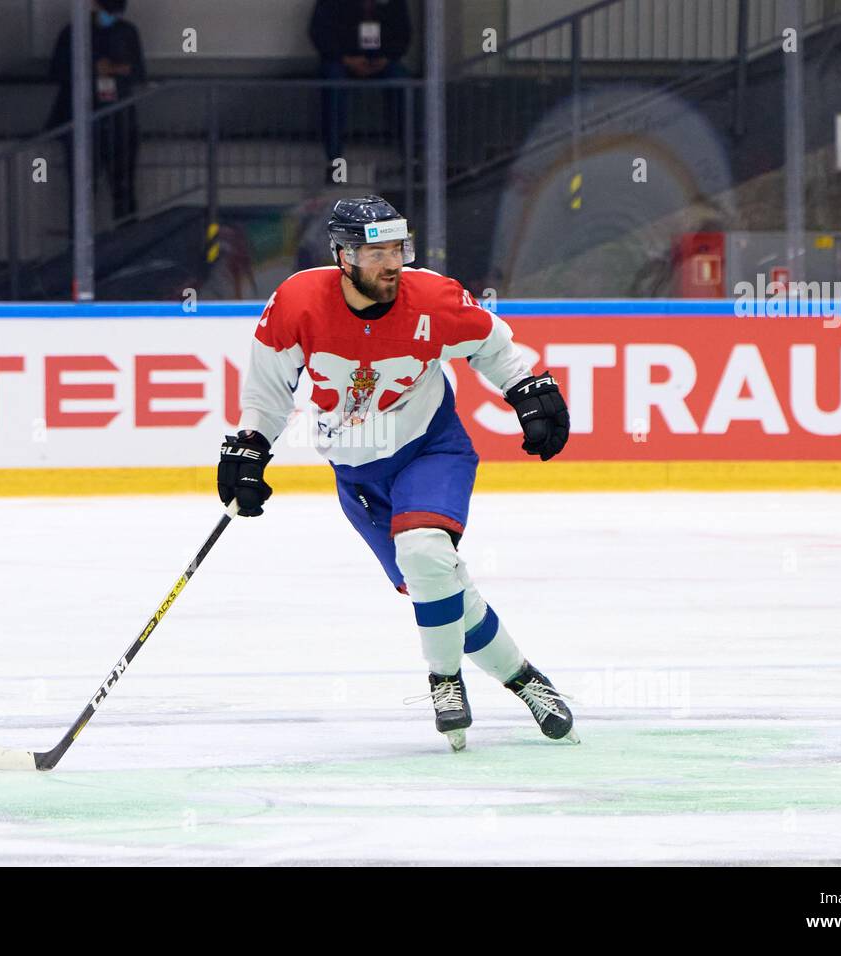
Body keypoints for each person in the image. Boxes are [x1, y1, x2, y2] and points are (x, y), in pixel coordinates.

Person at [218, 196, 577, 751]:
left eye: (398, 249)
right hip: (357, 474)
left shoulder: (431, 297)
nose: (392, 263)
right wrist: (250, 446)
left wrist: (526, 388)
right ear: (343, 256)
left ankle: (444, 680)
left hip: (430, 447)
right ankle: (525, 679)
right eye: (375, 251)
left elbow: (492, 345)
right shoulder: (297, 303)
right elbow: (267, 395)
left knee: (425, 551)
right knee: (440, 584)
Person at [46, 0, 146, 221]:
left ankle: (125, 237)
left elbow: (136, 71)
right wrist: (96, 69)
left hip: (118, 120)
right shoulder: (74, 33)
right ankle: (80, 245)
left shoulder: (125, 32)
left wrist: (109, 69)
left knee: (123, 188)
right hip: (86, 120)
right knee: (82, 191)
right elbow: (57, 71)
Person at [309, 0, 412, 161]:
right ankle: (335, 163)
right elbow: (319, 33)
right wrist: (346, 59)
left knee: (402, 82)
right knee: (333, 82)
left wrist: (386, 58)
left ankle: (409, 158)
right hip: (342, 61)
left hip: (381, 60)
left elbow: (404, 34)